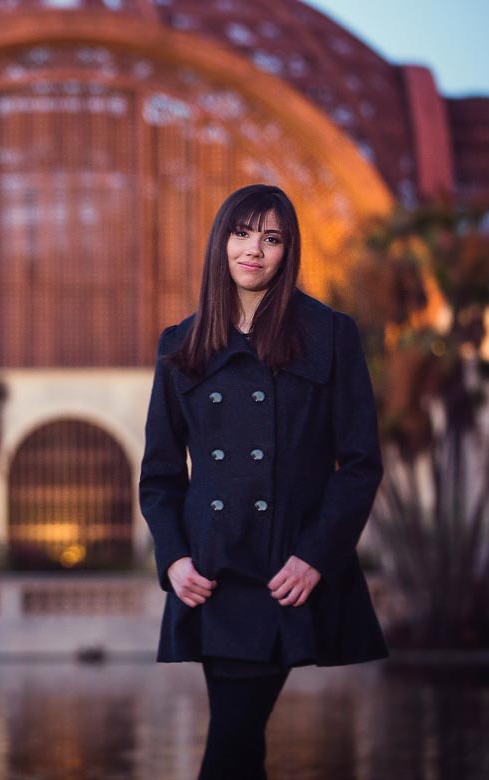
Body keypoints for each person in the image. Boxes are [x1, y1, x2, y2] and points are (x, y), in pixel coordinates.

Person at [138, 183, 389, 779]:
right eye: (242, 233)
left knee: (233, 736)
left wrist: (315, 557)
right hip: (212, 572)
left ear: (288, 250)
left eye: (271, 238)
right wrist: (174, 559)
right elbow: (160, 474)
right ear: (221, 242)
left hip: (284, 572)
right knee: (238, 739)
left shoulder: (330, 334)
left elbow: (359, 464)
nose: (254, 249)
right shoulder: (181, 344)